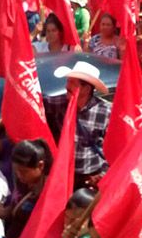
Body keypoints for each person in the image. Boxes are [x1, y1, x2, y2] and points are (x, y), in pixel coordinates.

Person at [45, 61, 112, 189]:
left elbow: (114, 149)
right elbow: (36, 104)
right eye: (68, 81)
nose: (66, 86)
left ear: (86, 89)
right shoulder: (59, 103)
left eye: (72, 83)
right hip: (65, 176)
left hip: (91, 178)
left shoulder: (106, 112)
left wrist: (103, 175)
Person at [0, 139, 53, 238]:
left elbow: (36, 237)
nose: (19, 176)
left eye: (23, 172)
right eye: (16, 171)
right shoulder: (23, 182)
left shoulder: (47, 196)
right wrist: (0, 212)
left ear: (40, 165)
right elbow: (16, 208)